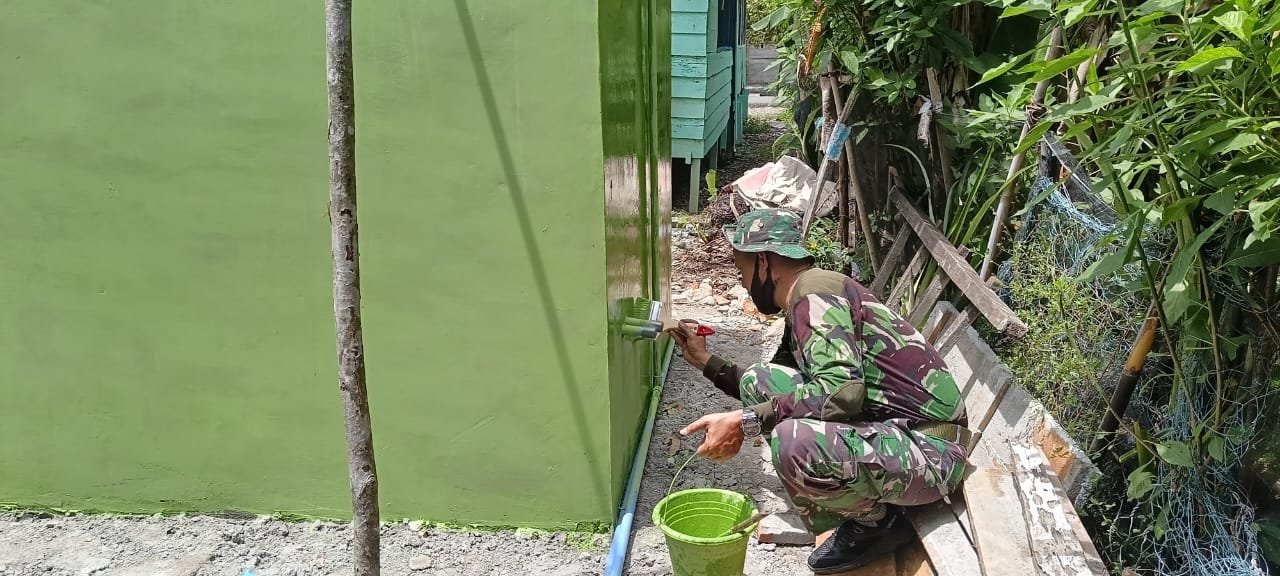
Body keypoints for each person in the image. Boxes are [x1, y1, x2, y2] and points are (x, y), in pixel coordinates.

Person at [668, 208, 970, 574]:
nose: (743, 281)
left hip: (931, 454)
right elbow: (778, 392)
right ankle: (851, 497)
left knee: (793, 440)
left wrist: (745, 421)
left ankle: (877, 523)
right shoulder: (806, 295)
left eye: (741, 267)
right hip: (897, 436)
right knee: (760, 380)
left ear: (763, 261)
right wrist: (706, 361)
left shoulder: (815, 295)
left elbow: (841, 393)